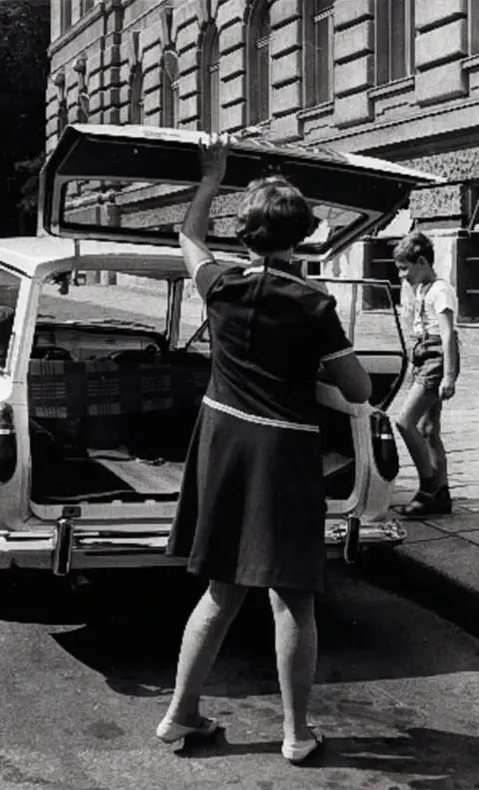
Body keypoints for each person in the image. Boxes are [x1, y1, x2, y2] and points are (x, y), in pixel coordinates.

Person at [158, 134, 372, 764]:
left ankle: (179, 714)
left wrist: (211, 178)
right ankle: (297, 733)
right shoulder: (313, 303)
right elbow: (358, 388)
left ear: (246, 234)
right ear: (302, 235)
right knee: (291, 595)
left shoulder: (220, 285)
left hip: (223, 443)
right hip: (283, 453)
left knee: (222, 589)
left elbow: (188, 236)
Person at [392, 231, 460, 518]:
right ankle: (442, 493)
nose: (401, 275)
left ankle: (428, 487)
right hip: (423, 355)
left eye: (404, 268)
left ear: (422, 262)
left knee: (404, 422)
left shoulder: (440, 290)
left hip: (436, 358)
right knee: (428, 429)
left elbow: (448, 335)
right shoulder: (422, 288)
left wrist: (449, 375)